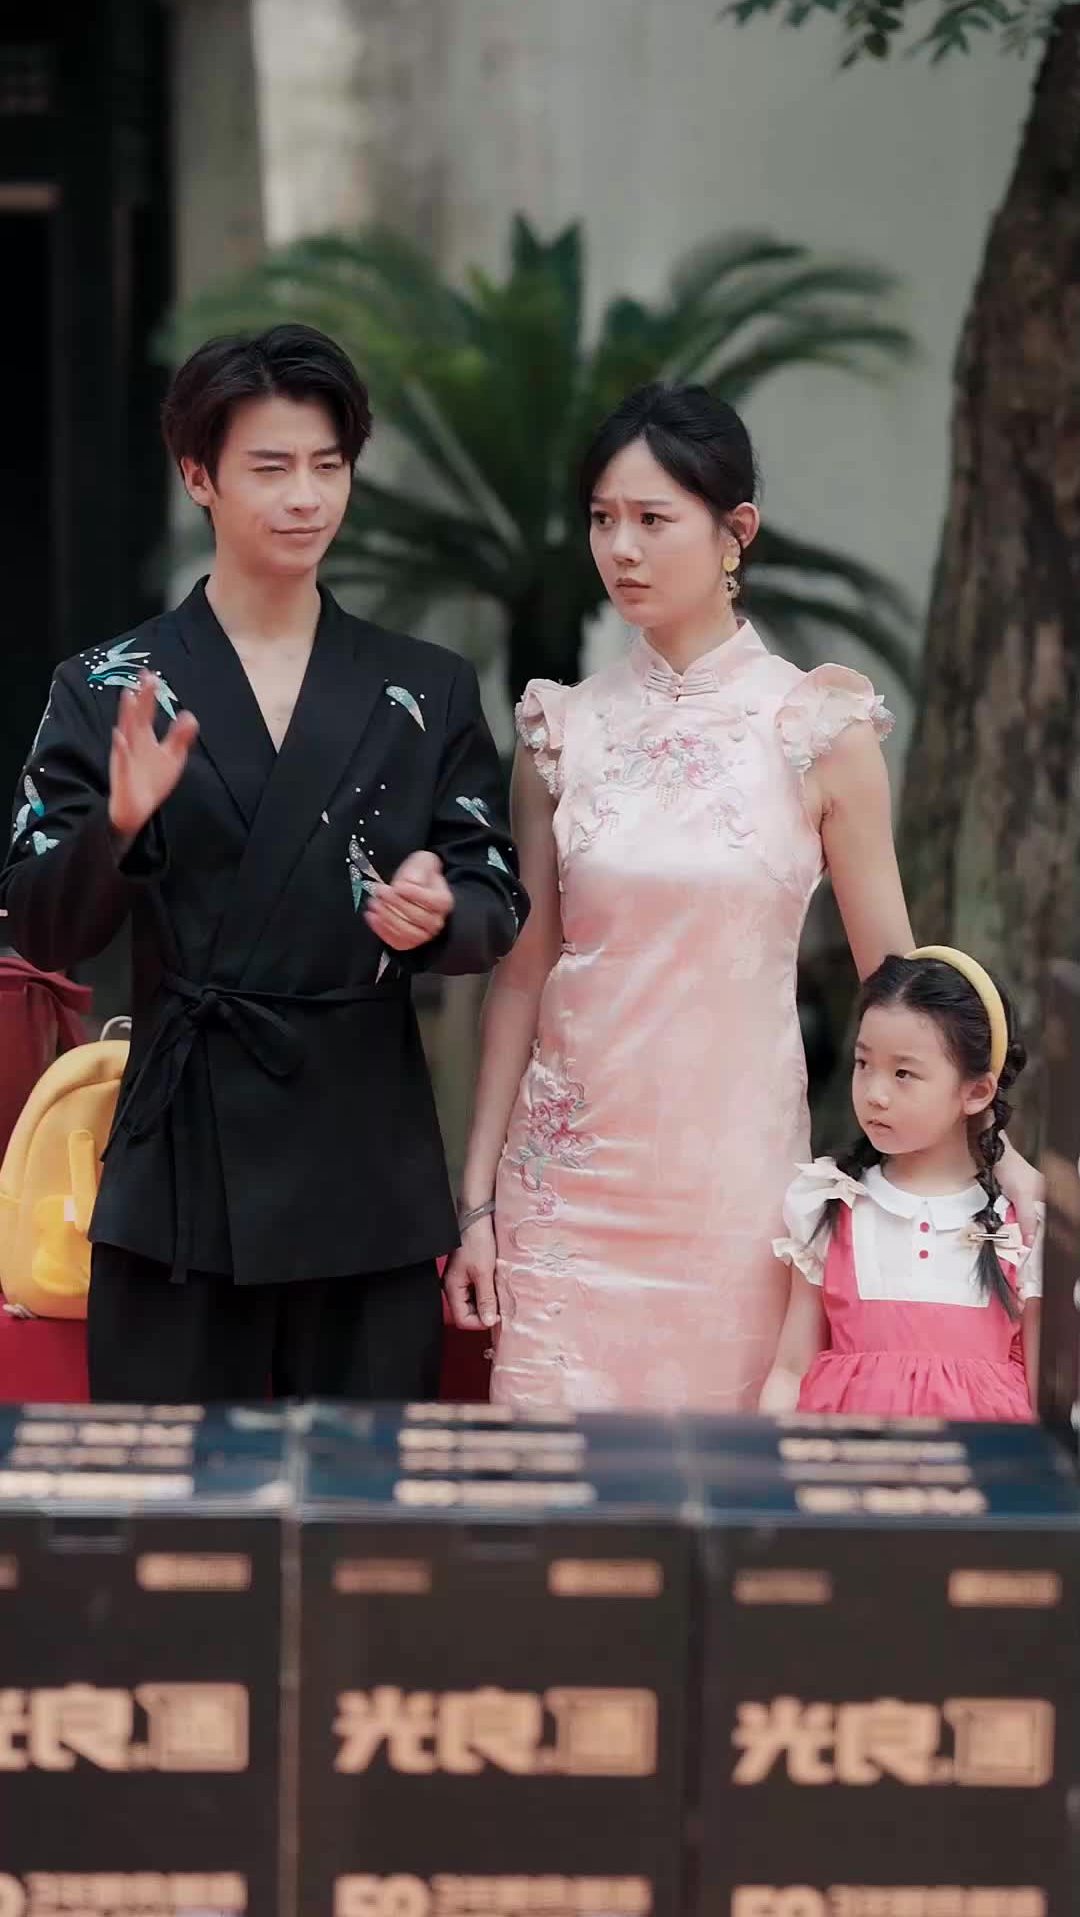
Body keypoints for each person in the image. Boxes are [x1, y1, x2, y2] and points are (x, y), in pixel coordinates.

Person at [444, 381, 1042, 1412]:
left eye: (652, 519)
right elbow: (521, 978)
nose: (620, 548)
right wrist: (477, 1200)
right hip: (568, 1192)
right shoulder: (560, 731)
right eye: (601, 519)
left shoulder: (818, 726)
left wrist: (1000, 1152)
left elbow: (896, 978)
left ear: (736, 532)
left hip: (737, 1198)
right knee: (556, 1491)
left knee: (729, 1485)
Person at [0, 323, 527, 1403]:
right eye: (271, 468)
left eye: (328, 466)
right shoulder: (108, 684)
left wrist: (441, 911)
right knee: (171, 1496)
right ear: (198, 475)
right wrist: (118, 827)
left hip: (364, 1169)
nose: (306, 498)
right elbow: (39, 923)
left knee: (363, 1492)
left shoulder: (424, 686)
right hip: (179, 1179)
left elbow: (495, 892)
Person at [760, 950, 1041, 1420]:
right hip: (847, 1459)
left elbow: (1044, 1397)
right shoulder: (828, 1206)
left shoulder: (1022, 1228)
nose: (874, 1093)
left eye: (903, 1073)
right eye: (863, 1063)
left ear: (976, 1092)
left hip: (982, 1464)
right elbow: (791, 1369)